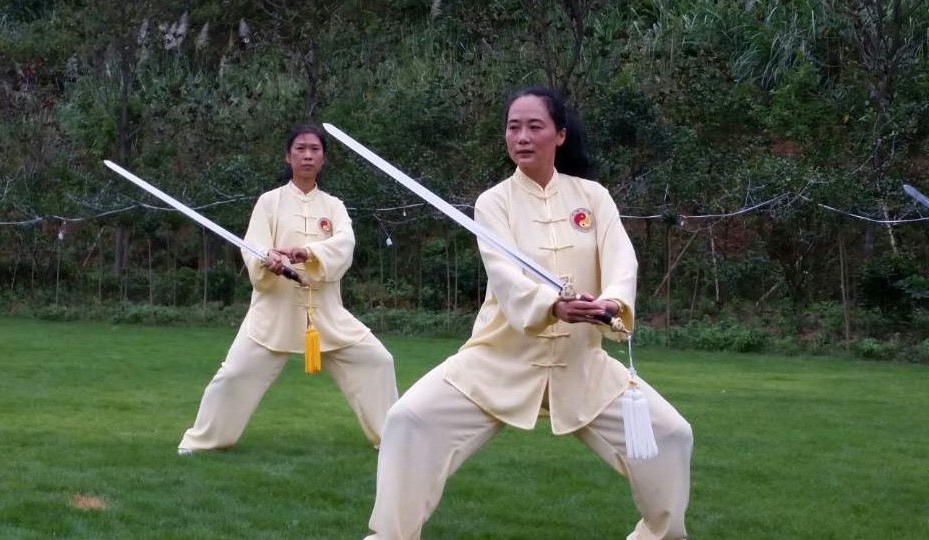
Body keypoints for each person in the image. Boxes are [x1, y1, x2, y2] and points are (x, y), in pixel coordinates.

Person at [363, 88, 693, 540]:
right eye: (513, 127)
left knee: (673, 435)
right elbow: (506, 278)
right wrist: (553, 306)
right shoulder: (493, 202)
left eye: (535, 126)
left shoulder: (593, 197)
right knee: (408, 420)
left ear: (559, 135)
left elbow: (621, 260)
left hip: (581, 365)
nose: (522, 137)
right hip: (498, 362)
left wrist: (613, 302)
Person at [178, 124, 398, 454]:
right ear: (288, 156)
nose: (307, 155)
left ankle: (392, 441)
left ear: (323, 158)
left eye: (315, 149)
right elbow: (254, 246)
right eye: (300, 149)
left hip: (326, 314)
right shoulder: (269, 202)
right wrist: (268, 259)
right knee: (234, 374)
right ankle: (202, 442)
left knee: (378, 361)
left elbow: (345, 245)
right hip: (273, 313)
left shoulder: (334, 206)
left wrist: (308, 253)